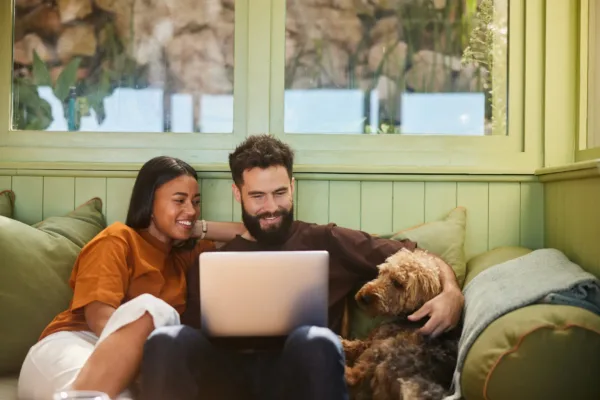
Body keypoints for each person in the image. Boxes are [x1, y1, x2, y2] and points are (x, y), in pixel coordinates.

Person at [140, 135, 465, 400]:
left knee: (316, 340)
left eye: (280, 193)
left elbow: (415, 253)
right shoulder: (211, 260)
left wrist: (451, 292)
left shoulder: (328, 239)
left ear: (293, 187)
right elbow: (197, 334)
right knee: (166, 339)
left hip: (297, 373)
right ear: (237, 193)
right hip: (225, 376)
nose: (271, 207)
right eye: (258, 196)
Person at [17, 156, 246, 400]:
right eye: (179, 200)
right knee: (152, 309)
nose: (190, 209)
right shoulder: (117, 239)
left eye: (196, 202)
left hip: (126, 366)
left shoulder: (183, 257)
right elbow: (98, 317)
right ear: (149, 202)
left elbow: (248, 232)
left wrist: (194, 226)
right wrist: (144, 365)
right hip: (75, 344)